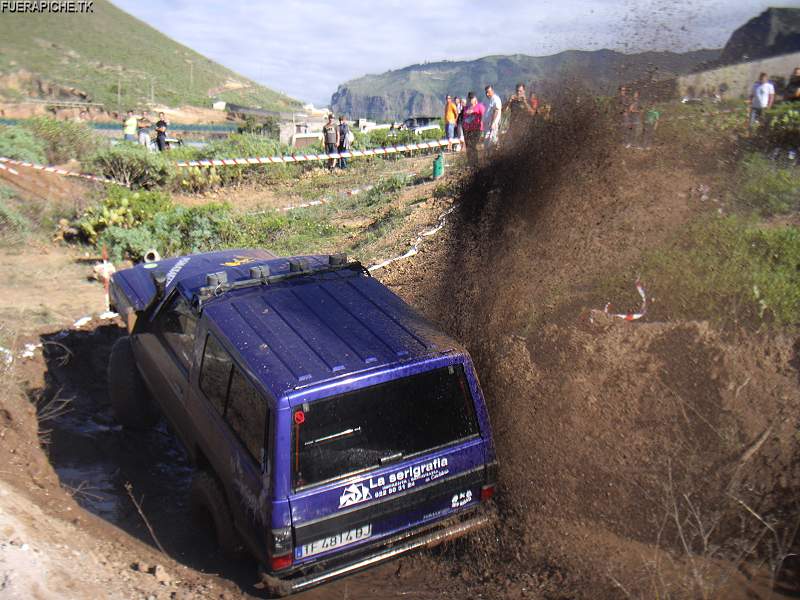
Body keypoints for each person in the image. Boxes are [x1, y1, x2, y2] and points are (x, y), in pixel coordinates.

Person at [461, 91, 485, 167]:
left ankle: (475, 162)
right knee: (468, 146)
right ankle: (470, 163)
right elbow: (463, 117)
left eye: (472, 98)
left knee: (473, 145)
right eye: (469, 98)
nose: (470, 100)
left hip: (477, 129)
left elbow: (484, 116)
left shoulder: (479, 106)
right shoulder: (466, 108)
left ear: (475, 98)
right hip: (467, 130)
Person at [483, 85, 502, 151]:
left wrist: (492, 122)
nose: (487, 94)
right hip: (487, 124)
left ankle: (495, 155)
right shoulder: (486, 100)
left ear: (492, 91)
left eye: (488, 92)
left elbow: (496, 110)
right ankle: (488, 156)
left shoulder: (495, 99)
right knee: (486, 142)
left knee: (492, 141)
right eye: (486, 92)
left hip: (493, 124)